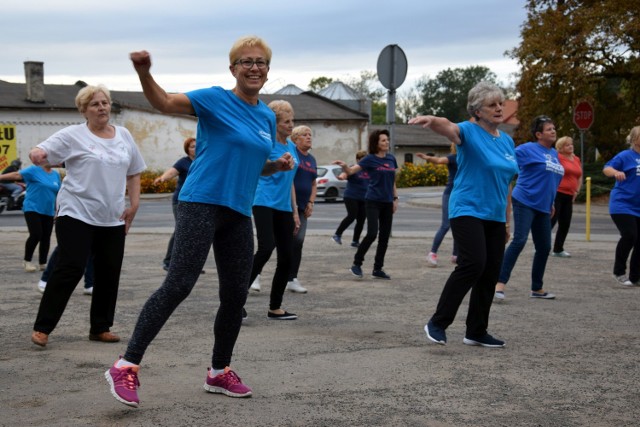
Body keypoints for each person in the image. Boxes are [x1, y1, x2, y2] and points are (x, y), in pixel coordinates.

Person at [105, 36, 295, 408]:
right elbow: (163, 102)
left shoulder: (267, 116)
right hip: (200, 202)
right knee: (179, 284)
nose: (254, 67)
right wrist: (145, 72)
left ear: (268, 70)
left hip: (238, 212)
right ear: (233, 69)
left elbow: (257, 164)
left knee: (235, 294)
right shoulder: (214, 99)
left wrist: (277, 164)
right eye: (246, 61)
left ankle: (219, 371)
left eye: (260, 62)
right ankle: (126, 365)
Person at [29, 84, 145, 349]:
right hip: (76, 211)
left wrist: (134, 205)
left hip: (112, 215)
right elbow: (41, 151)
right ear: (84, 110)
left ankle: (100, 327)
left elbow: (134, 172)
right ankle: (43, 327)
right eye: (95, 104)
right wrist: (36, 153)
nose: (102, 107)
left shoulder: (124, 135)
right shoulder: (73, 135)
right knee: (71, 267)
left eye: (104, 102)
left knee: (108, 271)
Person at [408, 81, 519, 348]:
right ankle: (438, 322)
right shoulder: (468, 131)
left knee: (491, 271)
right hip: (467, 208)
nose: (499, 108)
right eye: (492, 105)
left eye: (500, 103)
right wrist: (432, 119)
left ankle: (476, 331)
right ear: (477, 110)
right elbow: (448, 127)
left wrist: (506, 220)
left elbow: (506, 184)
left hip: (494, 214)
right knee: (473, 263)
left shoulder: (507, 141)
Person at [494, 116, 564, 301]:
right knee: (520, 240)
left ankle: (537, 289)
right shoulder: (527, 149)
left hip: (543, 207)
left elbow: (552, 181)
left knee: (544, 247)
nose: (553, 131)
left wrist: (551, 202)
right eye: (549, 129)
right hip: (524, 200)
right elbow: (506, 162)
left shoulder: (555, 154)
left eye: (554, 128)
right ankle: (498, 284)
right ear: (539, 134)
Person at [247, 100, 300, 317]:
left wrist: (295, 210)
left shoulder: (292, 147)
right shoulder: (266, 145)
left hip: (284, 206)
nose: (291, 125)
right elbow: (255, 170)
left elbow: (291, 182)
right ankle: (235, 302)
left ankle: (275, 307)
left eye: (292, 121)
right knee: (266, 248)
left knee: (287, 256)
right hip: (263, 200)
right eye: (287, 122)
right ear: (275, 124)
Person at [333, 129, 398, 280]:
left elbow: (392, 181)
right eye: (383, 140)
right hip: (373, 201)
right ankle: (356, 264)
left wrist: (395, 198)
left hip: (388, 202)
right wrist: (344, 166)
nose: (387, 142)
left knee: (384, 237)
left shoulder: (391, 159)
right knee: (372, 233)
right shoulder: (369, 159)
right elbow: (351, 170)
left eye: (387, 139)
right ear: (376, 143)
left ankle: (378, 268)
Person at [0, 163, 60, 272]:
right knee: (36, 234)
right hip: (32, 207)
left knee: (46, 237)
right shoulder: (33, 170)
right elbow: (16, 175)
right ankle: (27, 261)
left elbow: (58, 194)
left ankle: (43, 263)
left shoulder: (55, 175)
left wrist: (58, 210)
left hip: (48, 210)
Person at [603, 126, 640, 286]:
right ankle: (619, 271)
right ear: (634, 139)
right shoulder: (626, 156)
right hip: (622, 204)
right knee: (630, 235)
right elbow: (607, 168)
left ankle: (635, 277)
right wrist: (616, 173)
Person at [153, 137, 197, 271]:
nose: (195, 148)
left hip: (197, 202)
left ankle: (191, 264)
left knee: (195, 232)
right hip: (181, 201)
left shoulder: (202, 161)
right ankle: (169, 261)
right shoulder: (183, 162)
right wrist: (162, 178)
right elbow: (171, 172)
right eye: (192, 146)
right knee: (181, 230)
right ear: (187, 150)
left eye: (197, 146)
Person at [416, 144, 459, 267]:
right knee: (446, 225)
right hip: (449, 194)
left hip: (462, 196)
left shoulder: (468, 158)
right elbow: (439, 160)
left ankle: (456, 255)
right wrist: (427, 157)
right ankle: (432, 253)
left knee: (459, 225)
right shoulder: (452, 158)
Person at [287, 125, 317, 294]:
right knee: (276, 242)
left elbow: (314, 183)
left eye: (310, 134)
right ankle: (257, 275)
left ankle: (292, 279)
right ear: (296, 139)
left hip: (303, 207)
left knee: (298, 242)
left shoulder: (312, 159)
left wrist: (311, 202)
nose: (308, 137)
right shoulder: (293, 154)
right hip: (287, 204)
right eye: (305, 135)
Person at [551, 136, 582, 257]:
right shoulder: (557, 157)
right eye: (567, 145)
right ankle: (541, 245)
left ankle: (558, 249)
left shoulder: (576, 159)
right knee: (551, 220)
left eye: (571, 144)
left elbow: (579, 176)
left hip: (569, 195)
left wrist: (577, 191)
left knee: (565, 223)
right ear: (560, 147)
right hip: (557, 193)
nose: (570, 146)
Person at [332, 150, 369, 248]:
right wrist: (341, 177)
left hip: (364, 198)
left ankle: (355, 241)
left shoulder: (369, 170)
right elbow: (345, 174)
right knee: (352, 215)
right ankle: (337, 234)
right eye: (362, 160)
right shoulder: (353, 168)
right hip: (351, 196)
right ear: (358, 160)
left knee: (361, 220)